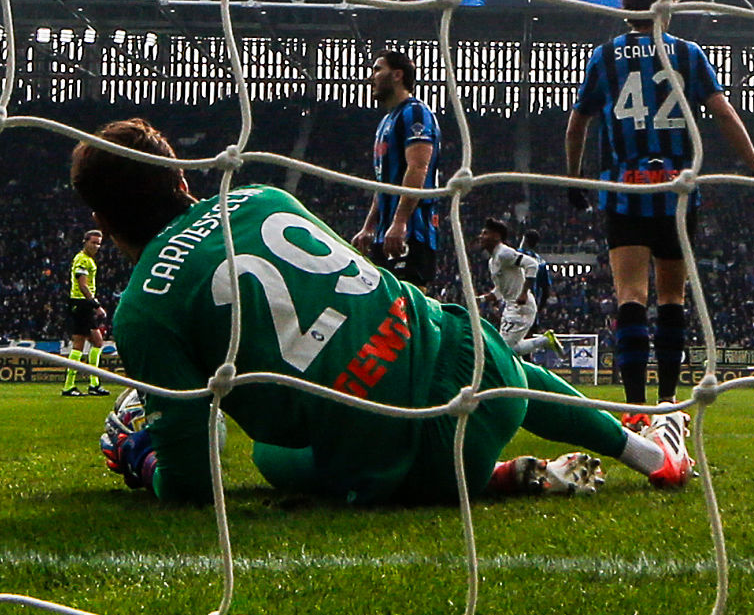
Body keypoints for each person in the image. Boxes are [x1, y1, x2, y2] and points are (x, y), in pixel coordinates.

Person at [74, 118, 693, 505]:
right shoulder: (261, 197)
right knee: (478, 345)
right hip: (484, 382)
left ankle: (490, 476)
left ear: (102, 221)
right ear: (183, 179)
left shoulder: (140, 313)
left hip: (399, 465)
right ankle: (648, 453)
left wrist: (143, 457)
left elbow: (191, 485)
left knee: (269, 454)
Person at [564, 0, 754, 429]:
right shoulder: (688, 53)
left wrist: (574, 176)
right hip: (676, 189)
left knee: (630, 296)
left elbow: (578, 122)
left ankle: (635, 407)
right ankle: (670, 401)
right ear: (661, 9)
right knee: (672, 296)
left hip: (624, 189)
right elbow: (723, 113)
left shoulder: (605, 56)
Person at [351, 50, 442, 293]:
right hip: (386, 233)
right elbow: (383, 182)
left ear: (397, 75)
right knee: (385, 309)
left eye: (378, 69)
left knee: (408, 306)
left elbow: (418, 167)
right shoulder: (385, 122)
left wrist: (400, 222)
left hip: (412, 230)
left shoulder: (416, 113)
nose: (372, 76)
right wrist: (369, 226)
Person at [473, 218, 557, 362]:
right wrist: (480, 299)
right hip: (510, 307)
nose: (481, 237)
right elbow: (500, 291)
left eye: (485, 233)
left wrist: (524, 292)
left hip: (521, 307)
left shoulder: (504, 253)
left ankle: (544, 342)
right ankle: (544, 341)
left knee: (503, 350)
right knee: (509, 349)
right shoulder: (492, 261)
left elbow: (532, 264)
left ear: (496, 236)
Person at [61, 228, 110, 396]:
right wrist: (95, 304)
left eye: (98, 244)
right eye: (93, 242)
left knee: (96, 342)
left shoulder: (88, 259)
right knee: (81, 345)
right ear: (85, 242)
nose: (96, 246)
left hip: (83, 305)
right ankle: (71, 385)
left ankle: (92, 383)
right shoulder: (81, 259)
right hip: (81, 304)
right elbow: (82, 285)